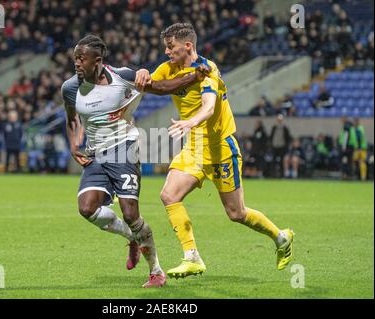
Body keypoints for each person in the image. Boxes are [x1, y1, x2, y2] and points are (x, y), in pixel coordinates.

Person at [135, 23, 294, 279]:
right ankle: (192, 257)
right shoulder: (170, 68)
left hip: (221, 147)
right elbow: (153, 84)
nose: (166, 52)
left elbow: (209, 107)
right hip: (195, 146)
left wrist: (191, 121)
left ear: (188, 46)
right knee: (169, 195)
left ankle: (281, 237)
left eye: (171, 47)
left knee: (236, 213)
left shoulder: (209, 71)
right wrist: (142, 72)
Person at [61, 35, 209, 288]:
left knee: (131, 213)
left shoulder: (124, 77)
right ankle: (131, 238)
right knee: (87, 209)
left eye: (81, 58)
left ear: (97, 61)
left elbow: (162, 88)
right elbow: (72, 117)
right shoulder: (70, 88)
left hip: (124, 150)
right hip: (96, 154)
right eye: (75, 58)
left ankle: (156, 272)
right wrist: (74, 144)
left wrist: (194, 77)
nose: (76, 63)